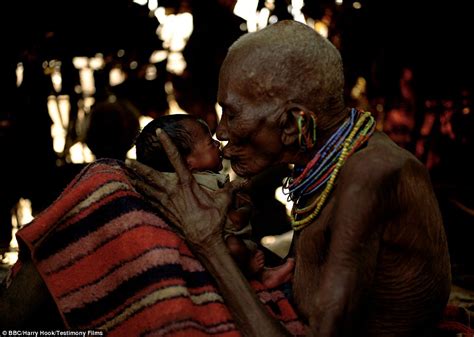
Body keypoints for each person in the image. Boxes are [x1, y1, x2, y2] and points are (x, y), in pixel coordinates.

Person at [129, 20, 452, 337]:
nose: (222, 131)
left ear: (292, 124)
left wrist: (208, 243)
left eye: (233, 112)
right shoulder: (317, 164)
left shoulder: (370, 177)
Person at [134, 114, 294, 287]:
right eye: (210, 143)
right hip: (220, 251)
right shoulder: (191, 189)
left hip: (235, 240)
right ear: (187, 163)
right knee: (234, 247)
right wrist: (241, 212)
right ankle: (256, 273)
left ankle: (265, 274)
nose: (219, 144)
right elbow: (228, 220)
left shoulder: (208, 179)